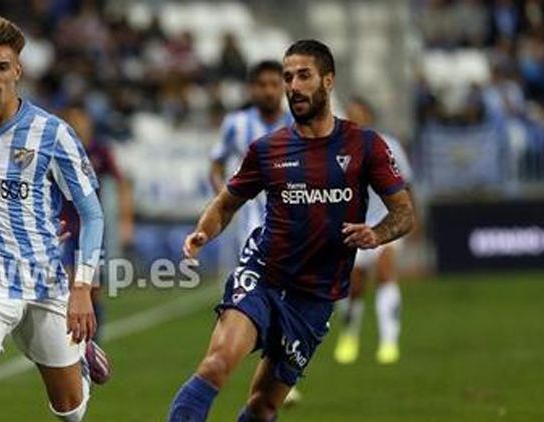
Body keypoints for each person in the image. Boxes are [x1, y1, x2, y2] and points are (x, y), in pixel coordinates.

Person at [166, 39, 416, 422]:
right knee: (217, 363)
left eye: (303, 76)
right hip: (264, 276)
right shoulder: (268, 149)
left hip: (315, 296)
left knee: (263, 407)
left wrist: (377, 234)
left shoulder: (365, 145)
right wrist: (204, 231)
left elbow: (404, 212)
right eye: (288, 77)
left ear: (328, 81)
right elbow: (226, 203)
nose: (293, 86)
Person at [0, 16, 110, 422]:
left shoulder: (53, 133)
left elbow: (91, 213)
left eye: (2, 67)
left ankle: (81, 364)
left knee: (70, 411)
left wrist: (82, 287)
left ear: (18, 70)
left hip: (44, 278)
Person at [208, 59, 299, 405]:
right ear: (252, 89)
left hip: (292, 226)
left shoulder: (296, 123)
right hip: (249, 226)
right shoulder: (236, 124)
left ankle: (273, 372)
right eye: (263, 85)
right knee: (250, 296)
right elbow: (216, 163)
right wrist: (224, 198)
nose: (269, 91)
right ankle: (237, 359)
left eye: (275, 84)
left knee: (287, 299)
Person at [333, 98, 415, 365]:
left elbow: (406, 184)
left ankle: (389, 342)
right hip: (353, 226)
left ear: (369, 117)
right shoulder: (336, 149)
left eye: (358, 114)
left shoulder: (389, 145)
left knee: (385, 272)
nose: (354, 119)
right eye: (350, 115)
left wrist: (410, 216)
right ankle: (349, 334)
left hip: (386, 222)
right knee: (354, 284)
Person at [58, 105, 134, 341]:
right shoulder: (59, 151)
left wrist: (126, 220)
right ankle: (72, 340)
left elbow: (122, 183)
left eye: (79, 119)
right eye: (71, 120)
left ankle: (93, 341)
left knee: (93, 288)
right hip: (66, 228)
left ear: (88, 121)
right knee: (71, 285)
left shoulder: (100, 150)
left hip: (92, 228)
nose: (76, 125)